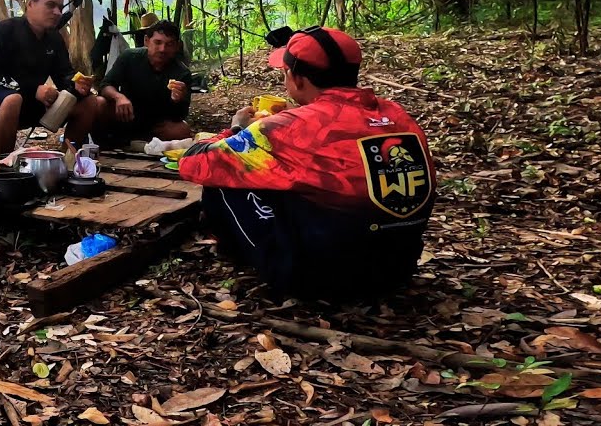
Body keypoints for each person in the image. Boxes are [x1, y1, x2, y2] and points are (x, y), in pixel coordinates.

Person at [179, 26, 437, 300]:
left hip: (319, 281)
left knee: (223, 175)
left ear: (296, 78)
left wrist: (236, 130)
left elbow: (193, 162)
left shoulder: (290, 127)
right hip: (397, 271)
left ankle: (250, 259)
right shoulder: (396, 114)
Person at [0, 0, 100, 167]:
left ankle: (67, 162)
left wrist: (76, 85)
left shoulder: (54, 38)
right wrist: (32, 90)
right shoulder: (2, 31)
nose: (57, 12)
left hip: (31, 107)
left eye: (60, 8)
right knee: (13, 100)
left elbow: (64, 75)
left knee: (90, 103)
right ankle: (6, 170)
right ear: (30, 4)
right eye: (50, 5)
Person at [97, 19, 193, 144]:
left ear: (177, 46)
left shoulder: (182, 73)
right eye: (157, 42)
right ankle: (103, 146)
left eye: (169, 44)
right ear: (147, 41)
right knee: (99, 103)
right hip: (126, 115)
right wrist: (119, 97)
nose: (162, 49)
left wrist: (179, 100)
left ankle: (145, 144)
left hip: (155, 125)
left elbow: (180, 116)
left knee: (182, 130)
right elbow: (105, 85)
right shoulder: (129, 57)